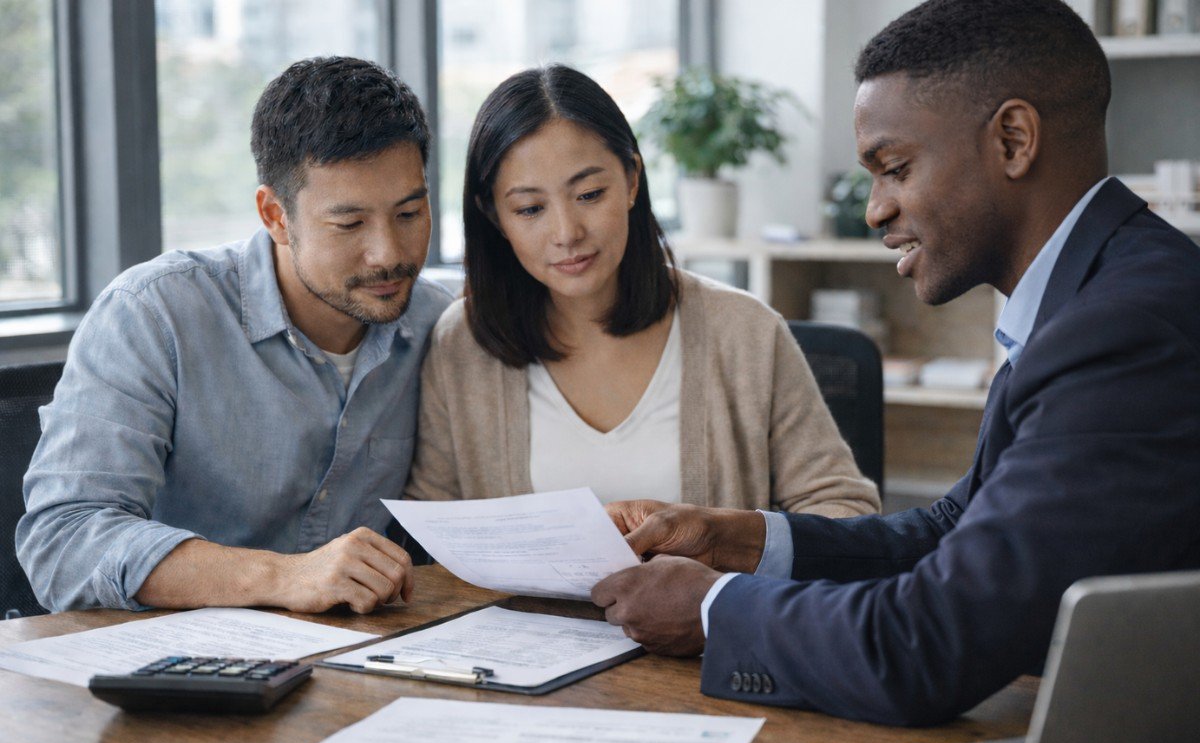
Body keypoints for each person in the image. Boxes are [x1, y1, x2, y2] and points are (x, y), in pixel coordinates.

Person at [591, 0, 1200, 725]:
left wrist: (716, 607)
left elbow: (927, 643)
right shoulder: (1092, 295)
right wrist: (737, 539)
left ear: (1013, 139)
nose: (876, 209)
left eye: (895, 168)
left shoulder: (1123, 330)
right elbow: (949, 532)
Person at [17, 57, 452, 613]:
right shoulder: (154, 314)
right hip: (174, 669)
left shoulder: (440, 327)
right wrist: (280, 577)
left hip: (353, 667)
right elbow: (63, 540)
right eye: (349, 224)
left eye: (410, 213)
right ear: (274, 215)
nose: (390, 254)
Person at [404, 64, 879, 521]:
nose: (567, 232)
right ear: (493, 216)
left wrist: (730, 555)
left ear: (632, 180)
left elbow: (845, 511)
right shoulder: (463, 343)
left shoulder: (745, 333)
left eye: (590, 194)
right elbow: (430, 528)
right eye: (529, 209)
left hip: (705, 607)